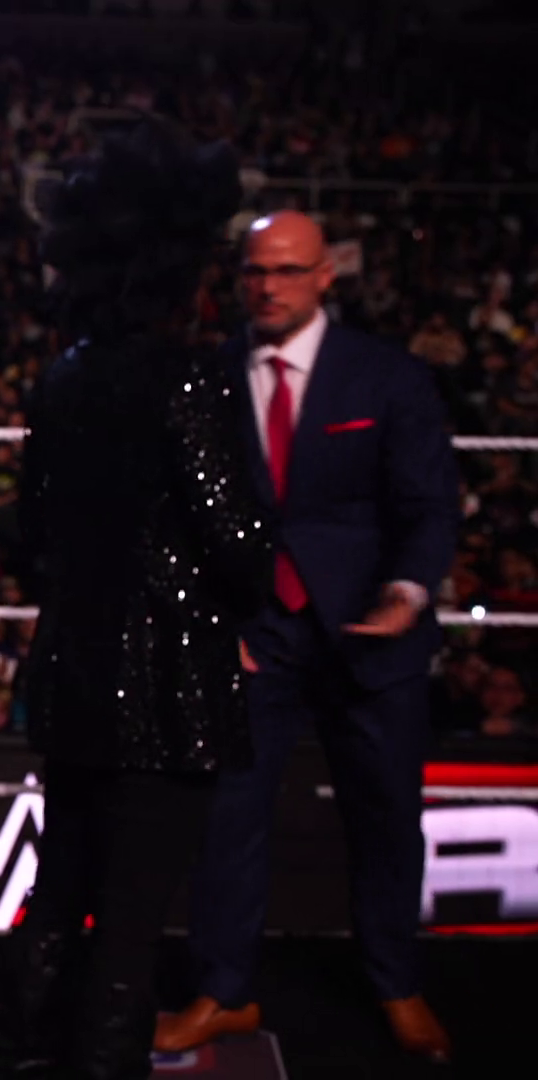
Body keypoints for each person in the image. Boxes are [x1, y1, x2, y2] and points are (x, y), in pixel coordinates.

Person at [0, 118, 273, 1079]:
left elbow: (32, 529)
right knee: (131, 923)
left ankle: (15, 1062)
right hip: (168, 691)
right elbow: (239, 546)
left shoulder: (62, 379)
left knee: (59, 895)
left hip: (76, 678)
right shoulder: (190, 379)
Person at [156, 211, 462, 1062]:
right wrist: (212, 622)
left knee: (387, 817)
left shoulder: (387, 375)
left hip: (373, 637)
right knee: (228, 820)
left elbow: (430, 504)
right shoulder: (207, 378)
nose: (269, 286)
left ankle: (396, 984)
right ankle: (223, 992)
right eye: (256, 270)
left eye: (288, 269)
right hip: (256, 636)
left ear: (327, 274)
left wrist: (406, 592)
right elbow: (180, 516)